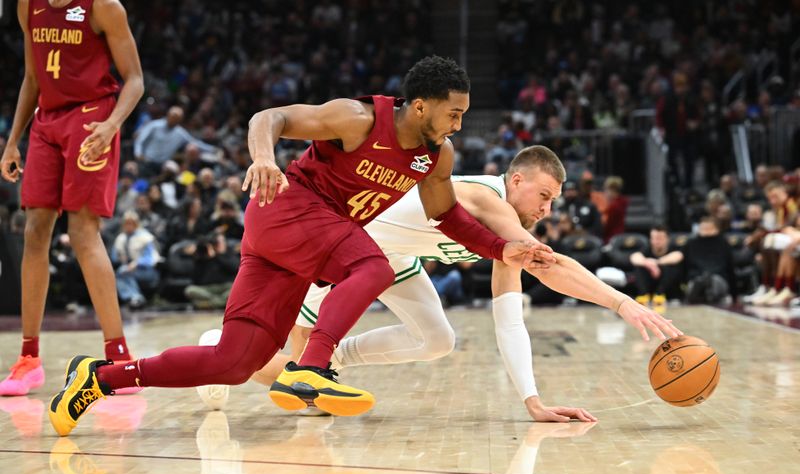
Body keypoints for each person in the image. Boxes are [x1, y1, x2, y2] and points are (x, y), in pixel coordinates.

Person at [48, 56, 551, 436]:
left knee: (234, 361)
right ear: (420, 106)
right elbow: (270, 118)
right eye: (454, 113)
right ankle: (312, 369)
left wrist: (499, 250)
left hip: (306, 244)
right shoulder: (356, 118)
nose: (459, 124)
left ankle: (101, 377)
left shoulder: (435, 156)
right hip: (286, 210)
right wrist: (264, 158)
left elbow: (446, 216)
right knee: (373, 267)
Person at [201, 146, 681, 422]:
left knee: (436, 339)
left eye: (554, 201)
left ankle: (336, 360)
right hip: (335, 245)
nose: (547, 210)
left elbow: (509, 321)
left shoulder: (507, 236)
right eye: (544, 196)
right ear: (515, 180)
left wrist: (532, 402)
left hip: (390, 258)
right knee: (284, 378)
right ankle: (214, 352)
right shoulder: (484, 198)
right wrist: (622, 304)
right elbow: (549, 266)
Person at [0, 0, 144, 396]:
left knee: (82, 232)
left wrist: (112, 125)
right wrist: (13, 142)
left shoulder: (104, 7)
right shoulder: (28, 6)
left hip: (92, 117)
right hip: (46, 123)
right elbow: (32, 78)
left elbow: (135, 80)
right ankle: (28, 359)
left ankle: (119, 357)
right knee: (34, 231)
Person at [629, 225, 685, 306]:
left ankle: (660, 294)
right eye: (654, 238)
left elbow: (678, 256)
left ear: (667, 239)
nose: (656, 241)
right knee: (639, 268)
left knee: (671, 267)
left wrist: (656, 262)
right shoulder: (647, 249)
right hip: (650, 287)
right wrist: (648, 264)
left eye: (660, 238)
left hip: (668, 291)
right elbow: (634, 257)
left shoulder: (674, 249)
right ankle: (643, 295)